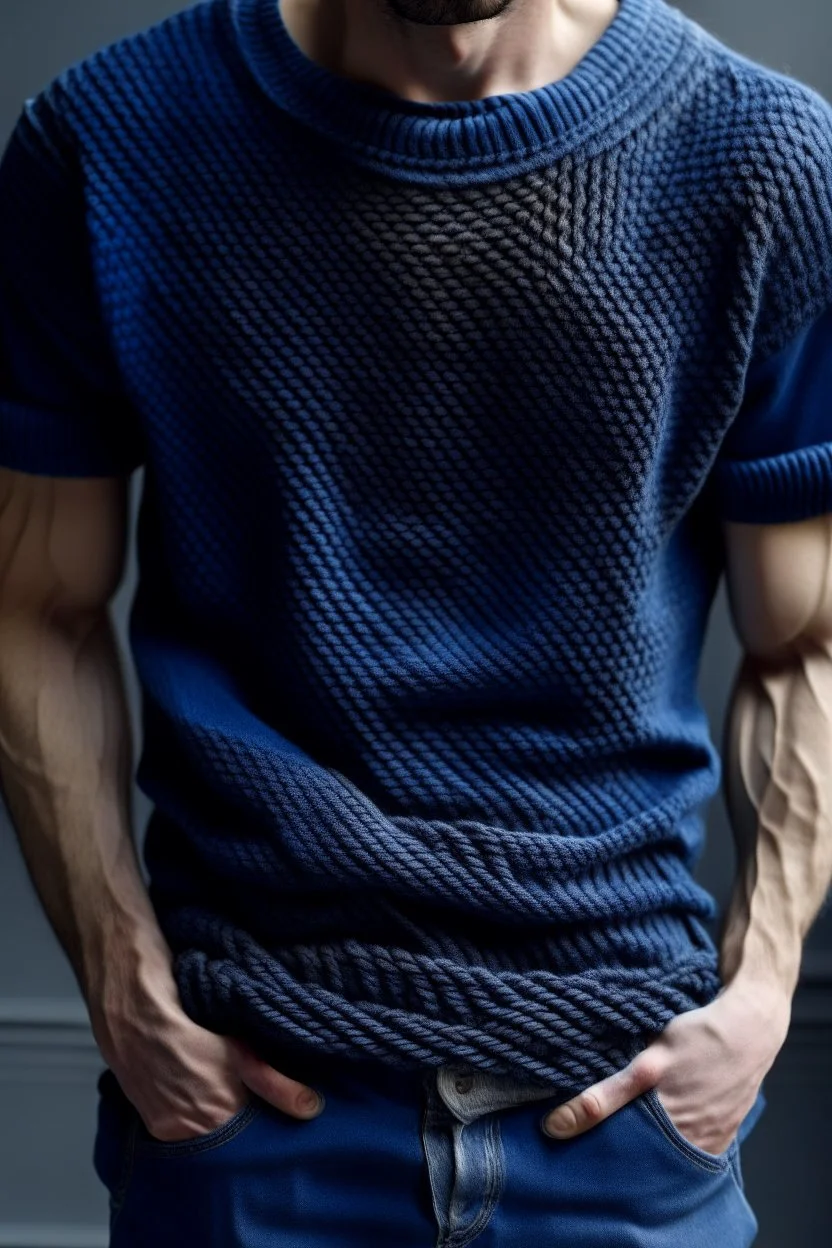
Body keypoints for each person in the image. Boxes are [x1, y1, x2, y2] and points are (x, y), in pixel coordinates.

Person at [0, 0, 831, 1242]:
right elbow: (36, 610)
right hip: (255, 1110)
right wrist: (125, 987)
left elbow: (805, 642)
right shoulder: (108, 143)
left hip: (621, 1108)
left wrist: (760, 989)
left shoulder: (758, 156)